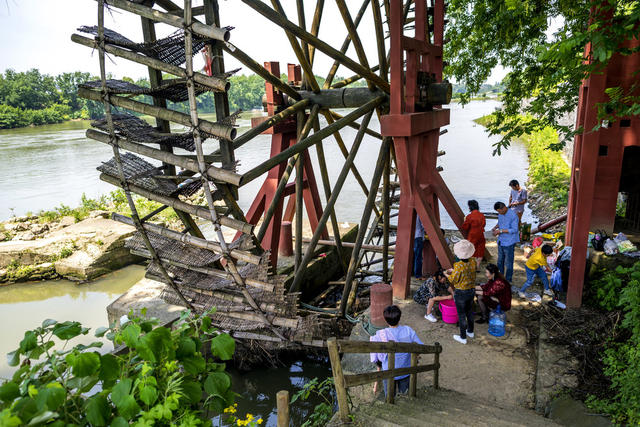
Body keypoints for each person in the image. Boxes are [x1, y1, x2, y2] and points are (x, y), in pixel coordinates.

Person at [370, 305, 423, 396]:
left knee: (390, 395)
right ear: (399, 317)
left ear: (386, 320)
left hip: (388, 371)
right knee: (405, 394)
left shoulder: (380, 335)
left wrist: (376, 383)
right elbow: (421, 347)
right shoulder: (408, 331)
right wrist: (416, 355)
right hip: (405, 370)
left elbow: (377, 358)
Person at [445, 240, 476, 345]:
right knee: (469, 312)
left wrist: (447, 274)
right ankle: (470, 331)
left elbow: (453, 280)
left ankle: (463, 337)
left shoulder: (458, 266)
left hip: (461, 293)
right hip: (471, 290)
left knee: (462, 315)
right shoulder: (473, 261)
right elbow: (465, 272)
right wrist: (454, 271)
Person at [492, 202, 520, 283]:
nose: (499, 213)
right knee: (500, 261)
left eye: (499, 211)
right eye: (498, 212)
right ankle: (499, 277)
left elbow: (514, 230)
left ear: (503, 208)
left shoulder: (513, 215)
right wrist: (495, 227)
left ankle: (508, 280)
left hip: (509, 242)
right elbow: (500, 222)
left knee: (508, 262)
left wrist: (500, 231)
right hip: (501, 240)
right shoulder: (500, 214)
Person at [461, 200, 486, 267]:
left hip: (473, 235)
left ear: (470, 207)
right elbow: (484, 225)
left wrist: (464, 221)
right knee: (480, 251)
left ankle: (471, 267)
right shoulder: (482, 215)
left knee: (471, 251)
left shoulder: (470, 216)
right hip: (481, 234)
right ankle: (477, 267)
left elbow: (465, 227)